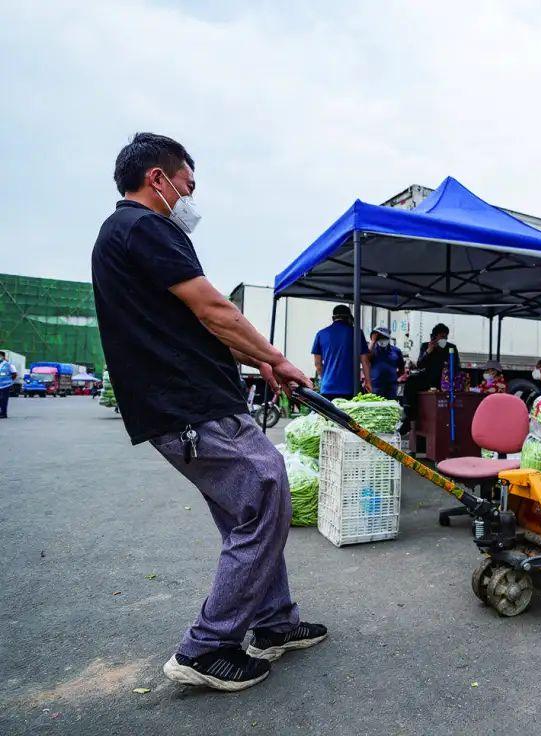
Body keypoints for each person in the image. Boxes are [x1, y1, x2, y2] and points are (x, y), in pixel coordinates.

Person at [91, 132, 325, 692]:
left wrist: (257, 363)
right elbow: (213, 308)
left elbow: (197, 324)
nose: (191, 198)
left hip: (190, 401)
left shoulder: (122, 236)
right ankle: (208, 647)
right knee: (267, 490)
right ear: (159, 180)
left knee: (249, 509)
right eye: (188, 186)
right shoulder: (144, 227)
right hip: (191, 406)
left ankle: (273, 623)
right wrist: (278, 358)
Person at [312, 305, 369, 399]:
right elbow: (365, 361)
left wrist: (326, 379)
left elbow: (318, 365)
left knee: (329, 414)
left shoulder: (321, 334)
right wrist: (368, 382)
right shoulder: (357, 333)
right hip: (351, 388)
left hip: (328, 388)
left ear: (333, 318)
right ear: (349, 318)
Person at [367, 326, 404, 400]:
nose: (382, 340)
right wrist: (373, 341)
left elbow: (401, 368)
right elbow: (365, 358)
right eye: (380, 337)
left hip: (391, 387)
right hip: (376, 386)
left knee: (390, 407)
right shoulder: (372, 350)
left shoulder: (396, 351)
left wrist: (396, 379)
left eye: (384, 337)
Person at [0, 350, 15, 418]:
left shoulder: (8, 364)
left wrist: (10, 381)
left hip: (5, 385)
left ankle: (3, 413)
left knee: (3, 399)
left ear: (3, 357)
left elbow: (14, 374)